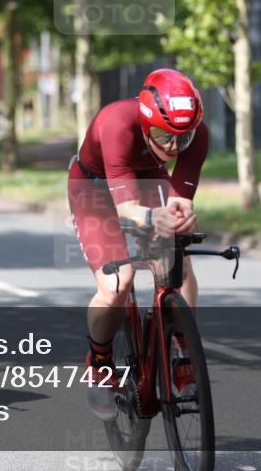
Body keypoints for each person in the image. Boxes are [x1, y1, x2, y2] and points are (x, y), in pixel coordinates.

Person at [68, 68, 208, 418]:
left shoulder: (195, 132)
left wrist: (182, 214)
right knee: (118, 283)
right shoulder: (116, 123)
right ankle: (99, 362)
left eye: (183, 138)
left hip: (148, 179)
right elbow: (128, 209)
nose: (174, 147)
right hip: (95, 188)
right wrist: (152, 218)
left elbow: (182, 200)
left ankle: (180, 349)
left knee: (176, 262)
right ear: (146, 124)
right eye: (164, 135)